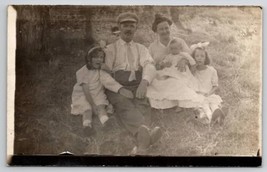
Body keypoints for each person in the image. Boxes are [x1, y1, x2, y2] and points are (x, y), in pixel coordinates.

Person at [104, 12, 162, 153]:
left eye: (132, 26)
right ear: (119, 27)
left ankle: (142, 141)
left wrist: (144, 82)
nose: (128, 29)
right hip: (118, 84)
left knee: (142, 103)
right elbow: (104, 73)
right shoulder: (111, 49)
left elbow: (149, 65)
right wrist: (119, 89)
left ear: (136, 28)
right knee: (124, 104)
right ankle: (145, 137)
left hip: (137, 83)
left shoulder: (141, 48)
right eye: (125, 25)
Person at [71, 46, 133, 136]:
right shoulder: (82, 71)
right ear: (89, 59)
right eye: (95, 57)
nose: (99, 59)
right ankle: (87, 126)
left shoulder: (100, 71)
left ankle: (106, 123)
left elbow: (109, 81)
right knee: (87, 109)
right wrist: (92, 104)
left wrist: (120, 89)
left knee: (101, 107)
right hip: (83, 94)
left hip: (97, 93)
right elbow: (86, 90)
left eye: (101, 57)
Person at [148, 13, 193, 109]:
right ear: (156, 31)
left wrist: (184, 60)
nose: (165, 31)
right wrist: (160, 66)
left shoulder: (179, 41)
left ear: (170, 28)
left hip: (179, 73)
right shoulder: (152, 47)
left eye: (166, 28)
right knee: (155, 87)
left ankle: (177, 100)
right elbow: (150, 65)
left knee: (177, 83)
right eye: (161, 29)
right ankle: (173, 100)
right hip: (162, 76)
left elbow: (189, 55)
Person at [146, 38, 203, 110]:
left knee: (178, 82)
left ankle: (181, 104)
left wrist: (192, 71)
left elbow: (193, 62)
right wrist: (164, 64)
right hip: (171, 71)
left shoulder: (184, 55)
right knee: (158, 78)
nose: (174, 50)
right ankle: (163, 101)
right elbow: (163, 63)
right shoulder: (169, 56)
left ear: (180, 48)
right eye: (172, 49)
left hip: (181, 72)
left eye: (176, 48)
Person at [191, 43, 225, 125]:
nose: (200, 58)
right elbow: (189, 83)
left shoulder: (211, 70)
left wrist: (209, 93)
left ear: (206, 58)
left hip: (209, 93)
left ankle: (218, 114)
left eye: (202, 56)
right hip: (198, 95)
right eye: (197, 56)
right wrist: (192, 69)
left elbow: (215, 86)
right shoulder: (193, 72)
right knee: (204, 106)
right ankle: (211, 118)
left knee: (213, 104)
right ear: (193, 58)